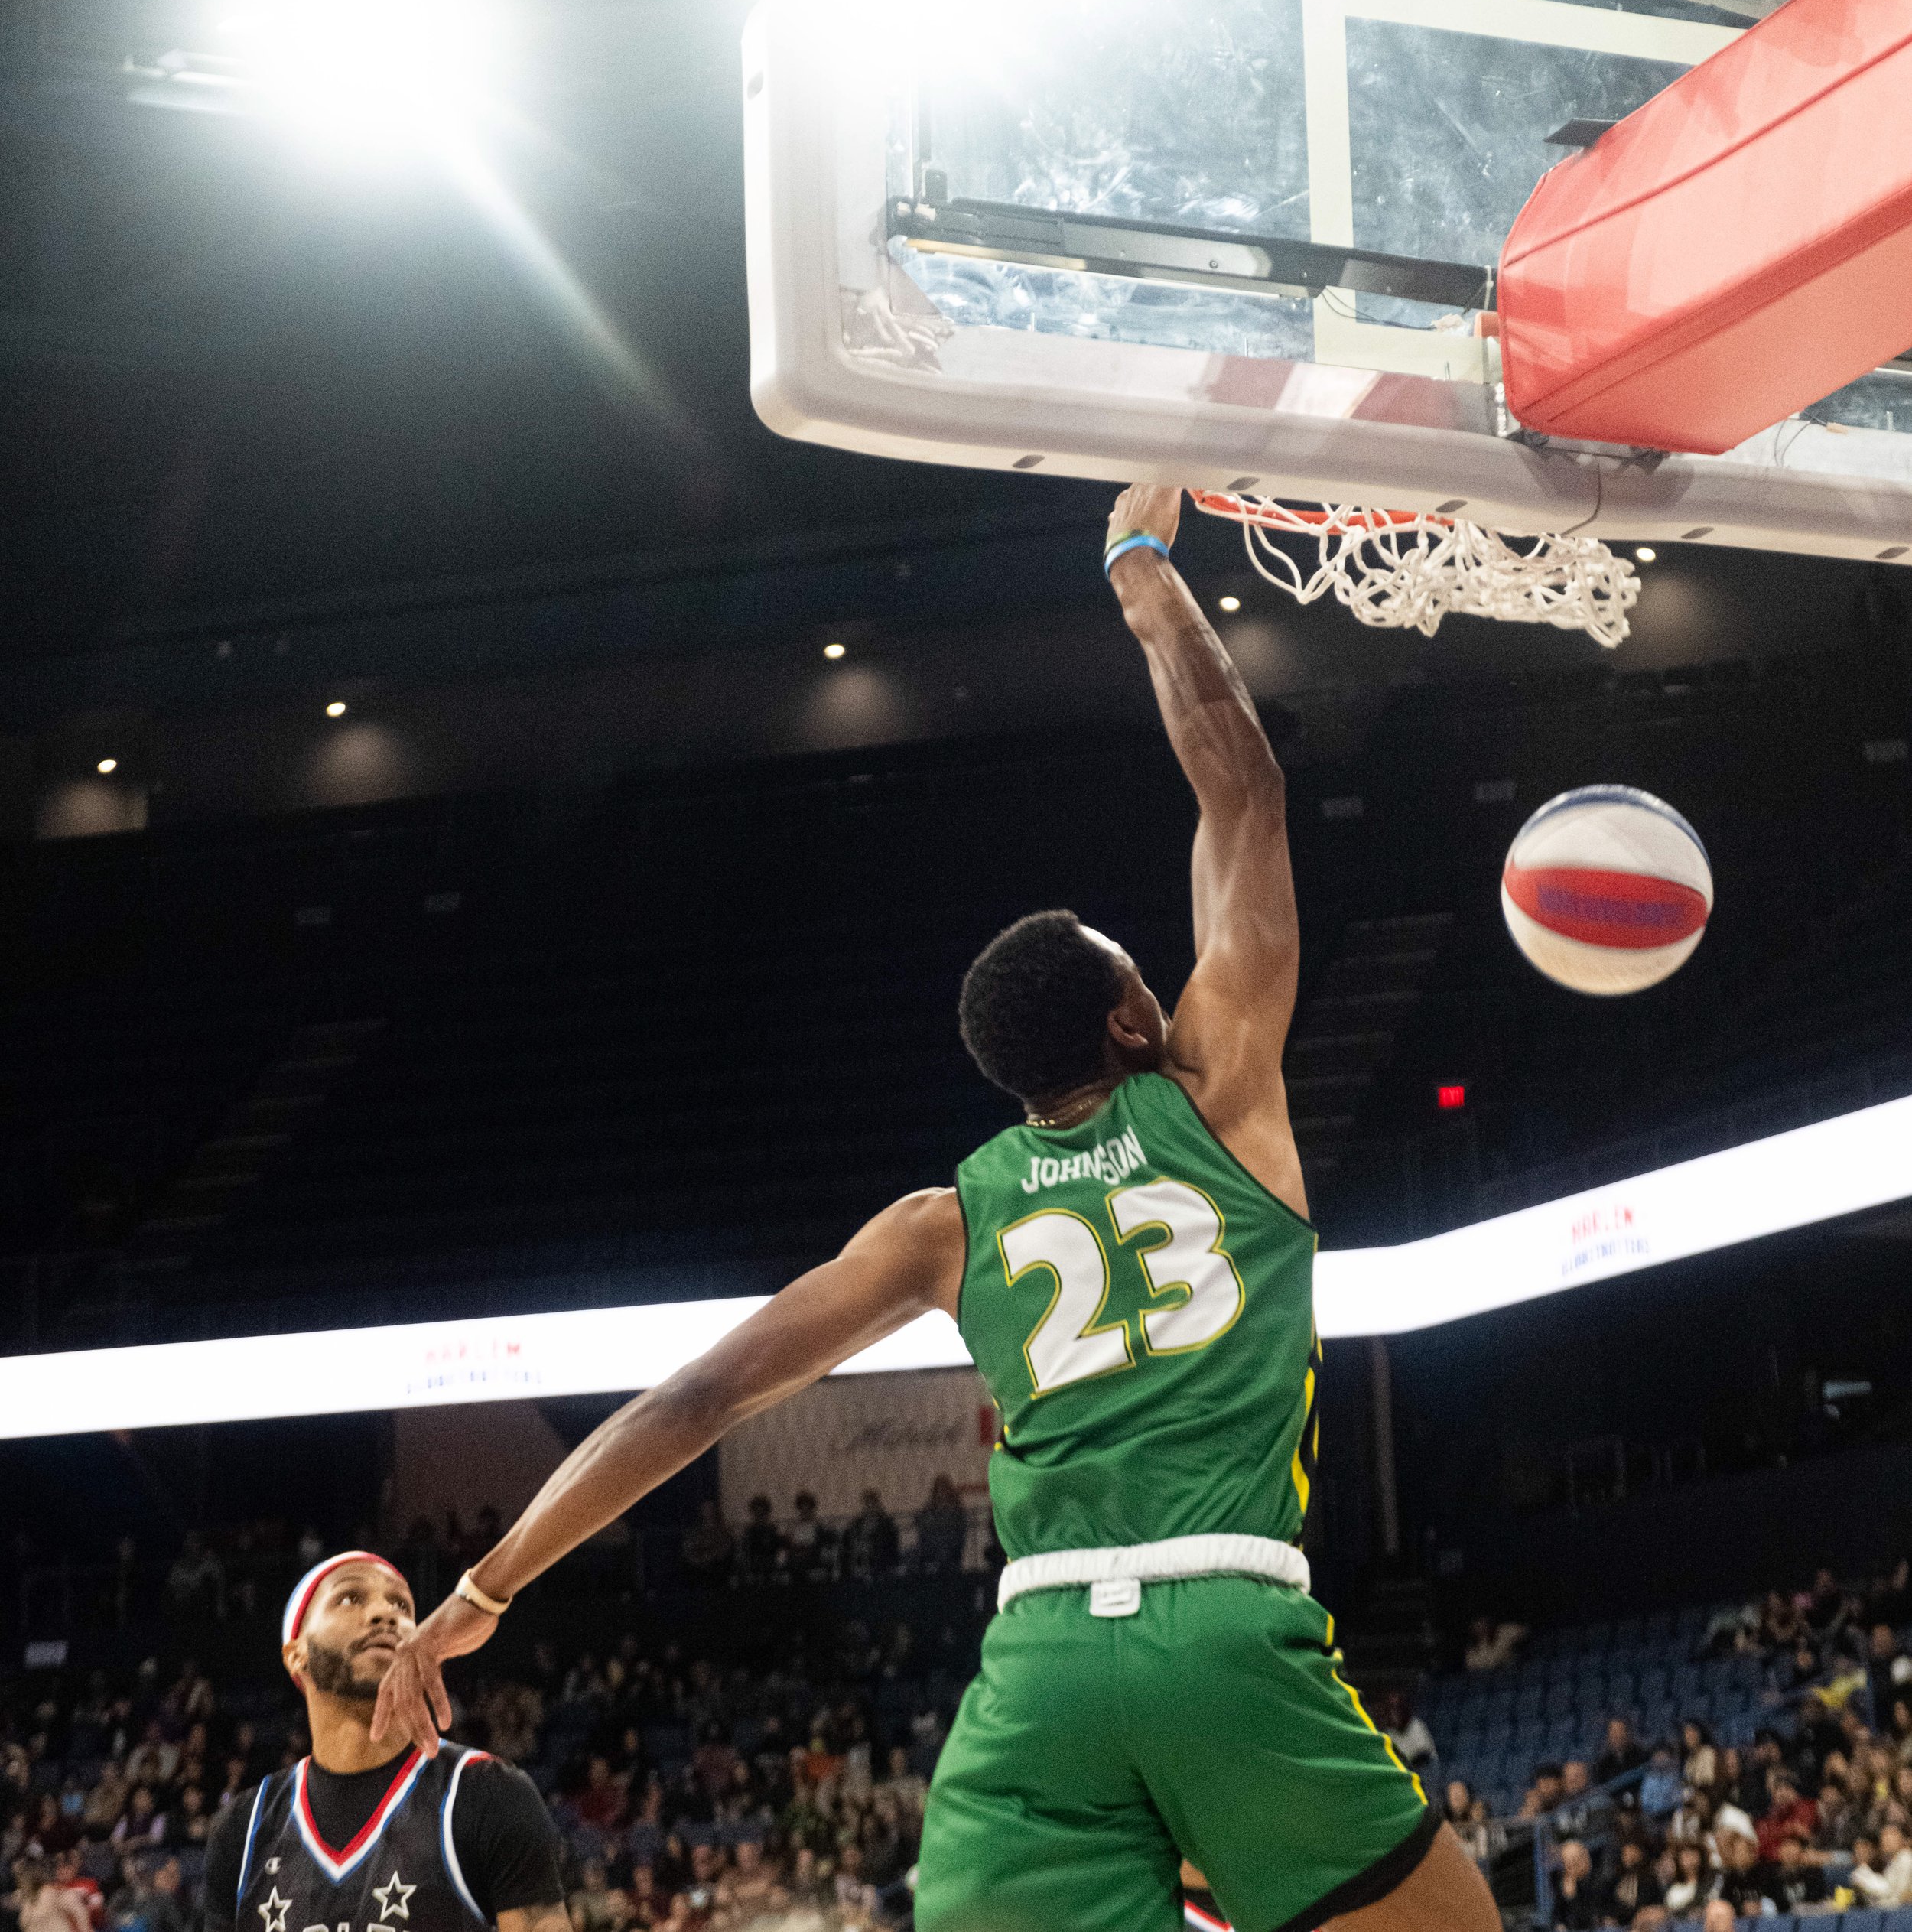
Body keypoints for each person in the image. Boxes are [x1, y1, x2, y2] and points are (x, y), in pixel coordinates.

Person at [370, 487, 1502, 1932]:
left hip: (1038, 1669)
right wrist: (1144, 576)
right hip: (1225, 1625)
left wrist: (491, 1578)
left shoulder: (940, 1222)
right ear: (1128, 1015)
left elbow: (704, 1393)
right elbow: (1246, 791)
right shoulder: (1220, 1085)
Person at [201, 1553, 569, 1932]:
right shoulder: (244, 1828)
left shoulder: (488, 1791)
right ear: (297, 1655)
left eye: (401, 1605)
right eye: (350, 1598)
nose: (385, 1614)